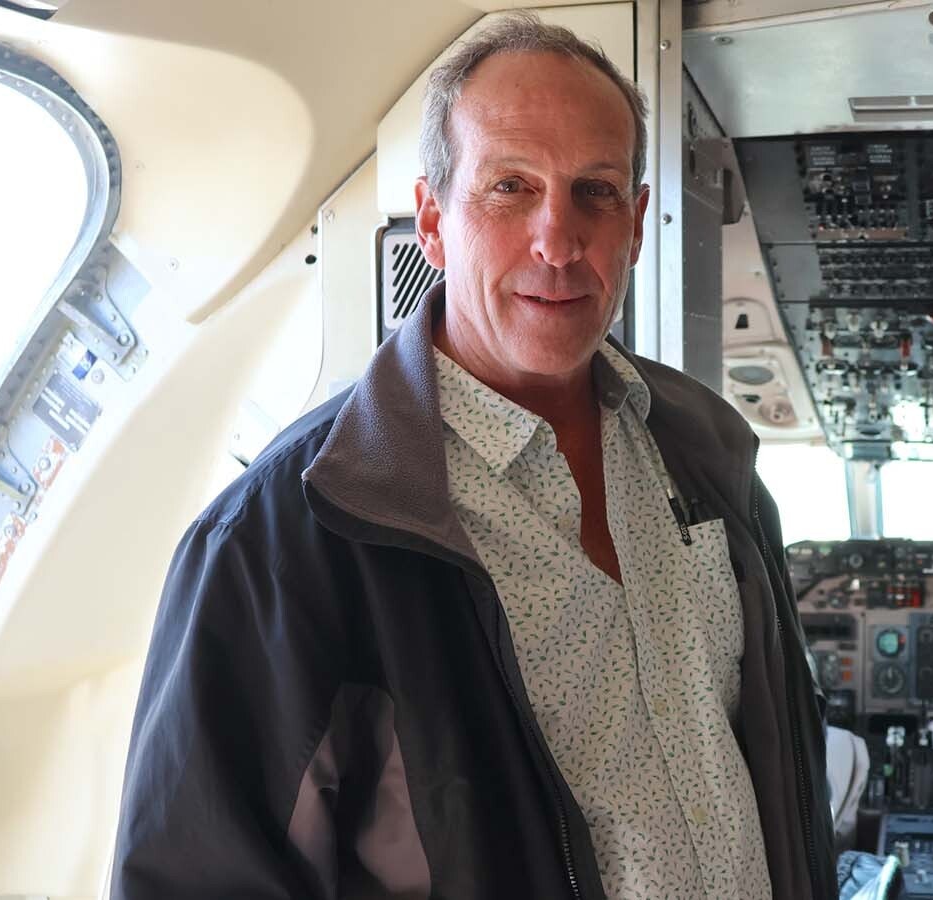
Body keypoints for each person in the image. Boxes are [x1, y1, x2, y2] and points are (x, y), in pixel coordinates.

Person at [109, 13, 834, 900]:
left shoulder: (711, 453)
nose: (558, 243)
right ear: (432, 220)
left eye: (595, 192)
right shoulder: (278, 539)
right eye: (510, 188)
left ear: (637, 225)